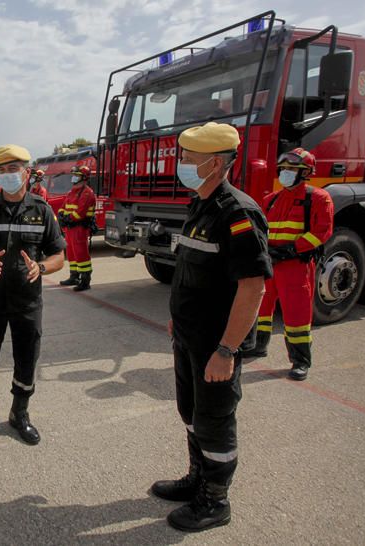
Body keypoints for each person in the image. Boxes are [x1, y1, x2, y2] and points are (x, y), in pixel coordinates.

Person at [152, 122, 272, 532]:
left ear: (215, 163)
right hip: (189, 337)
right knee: (192, 413)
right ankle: (197, 479)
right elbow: (192, 272)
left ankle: (215, 502)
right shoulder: (200, 204)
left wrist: (227, 350)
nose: (180, 163)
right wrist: (178, 317)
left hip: (215, 346)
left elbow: (252, 287)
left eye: (187, 158)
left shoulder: (237, 213)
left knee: (216, 420)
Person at [0, 144, 65, 450]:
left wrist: (42, 267)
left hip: (27, 303)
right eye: (2, 170)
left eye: (13, 169)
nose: (7, 175)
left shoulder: (42, 211)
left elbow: (59, 255)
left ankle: (20, 414)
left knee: (27, 360)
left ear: (27, 173)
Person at [242, 148, 333, 380]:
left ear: (305, 173)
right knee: (262, 307)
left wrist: (293, 249)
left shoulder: (318, 198)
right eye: (283, 169)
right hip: (270, 261)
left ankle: (300, 361)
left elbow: (321, 232)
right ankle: (258, 345)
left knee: (296, 314)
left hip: (295, 265)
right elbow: (260, 229)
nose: (285, 173)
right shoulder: (270, 200)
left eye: (291, 169)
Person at [58, 165, 96, 291]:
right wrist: (61, 215)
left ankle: (85, 280)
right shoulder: (72, 192)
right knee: (71, 252)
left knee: (81, 253)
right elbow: (64, 206)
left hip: (80, 228)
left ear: (84, 178)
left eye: (77, 175)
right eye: (74, 175)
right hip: (70, 228)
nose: (74, 177)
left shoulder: (87, 193)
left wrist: (68, 219)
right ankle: (74, 276)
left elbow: (80, 212)